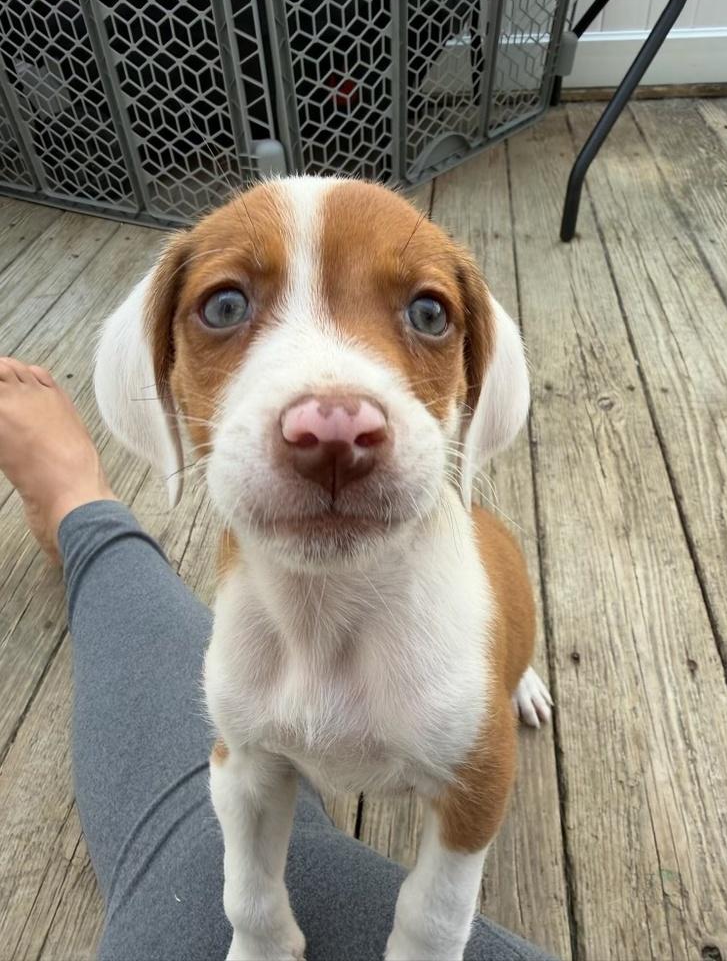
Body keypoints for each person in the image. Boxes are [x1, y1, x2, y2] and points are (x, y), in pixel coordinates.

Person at [0, 355, 553, 961]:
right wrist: (254, 924)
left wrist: (430, 940)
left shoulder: (455, 673)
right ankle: (81, 512)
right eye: (226, 306)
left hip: (462, 641)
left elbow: (481, 782)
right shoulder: (245, 635)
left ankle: (82, 511)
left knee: (499, 670)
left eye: (426, 313)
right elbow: (241, 771)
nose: (332, 423)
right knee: (249, 760)